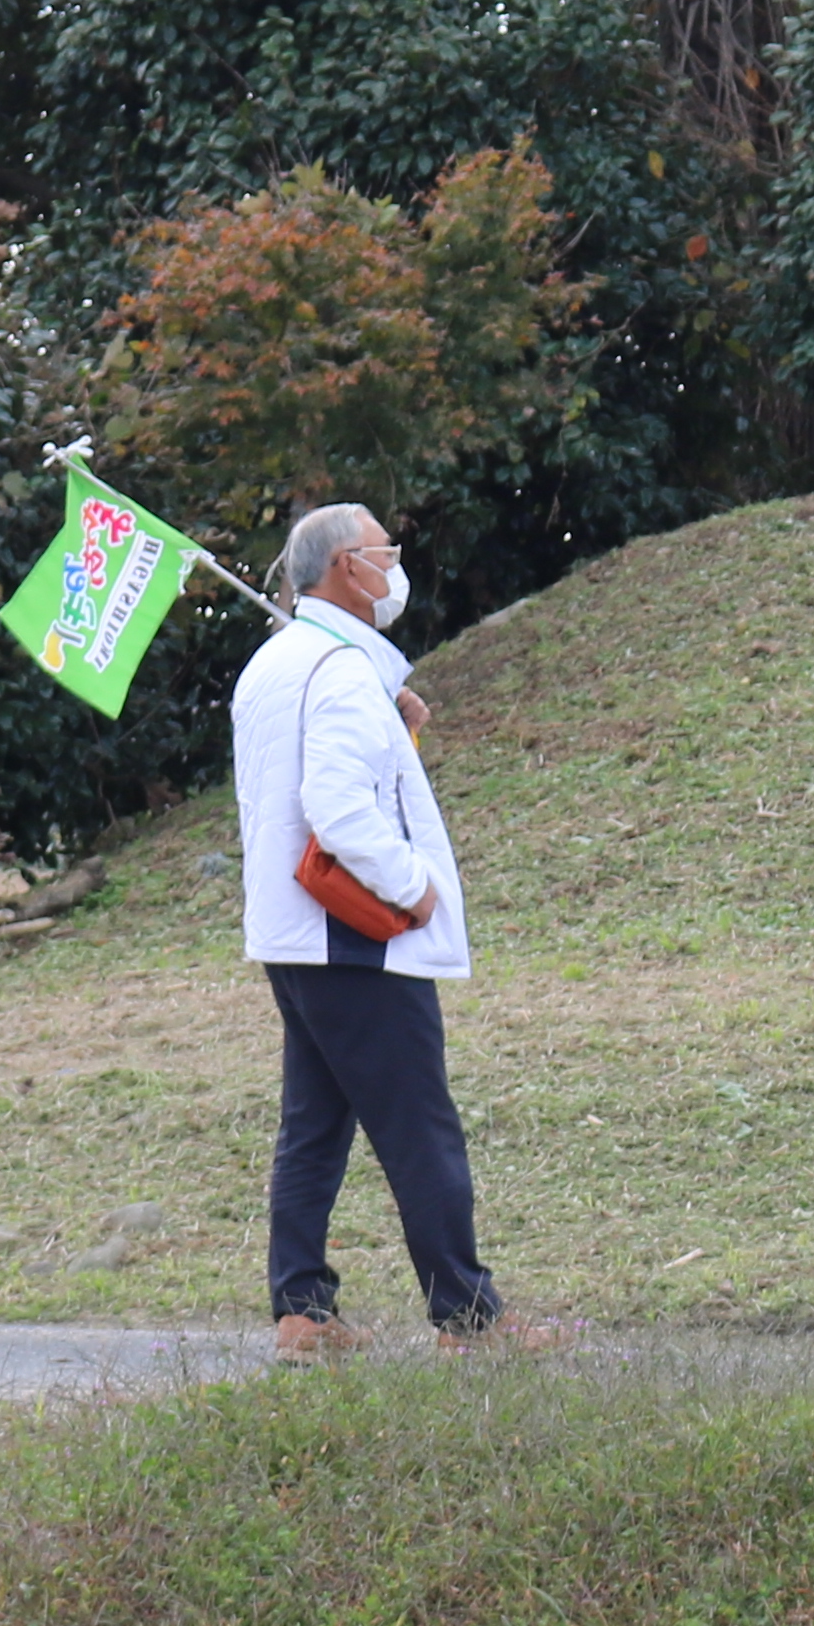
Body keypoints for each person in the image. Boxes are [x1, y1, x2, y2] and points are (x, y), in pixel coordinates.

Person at [236, 503, 516, 1356]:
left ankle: (302, 1309)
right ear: (344, 571)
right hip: (355, 931)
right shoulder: (341, 670)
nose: (394, 566)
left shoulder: (272, 666)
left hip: (291, 935)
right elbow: (338, 806)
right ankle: (466, 1318)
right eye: (381, 551)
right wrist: (415, 888)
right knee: (418, 1123)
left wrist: (392, 726)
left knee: (314, 1124)